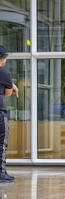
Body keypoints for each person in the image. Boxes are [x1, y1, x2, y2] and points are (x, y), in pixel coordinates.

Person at [0, 45, 18, 182]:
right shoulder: (4, 72)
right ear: (2, 58)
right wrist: (12, 87)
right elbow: (7, 93)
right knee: (1, 143)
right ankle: (1, 173)